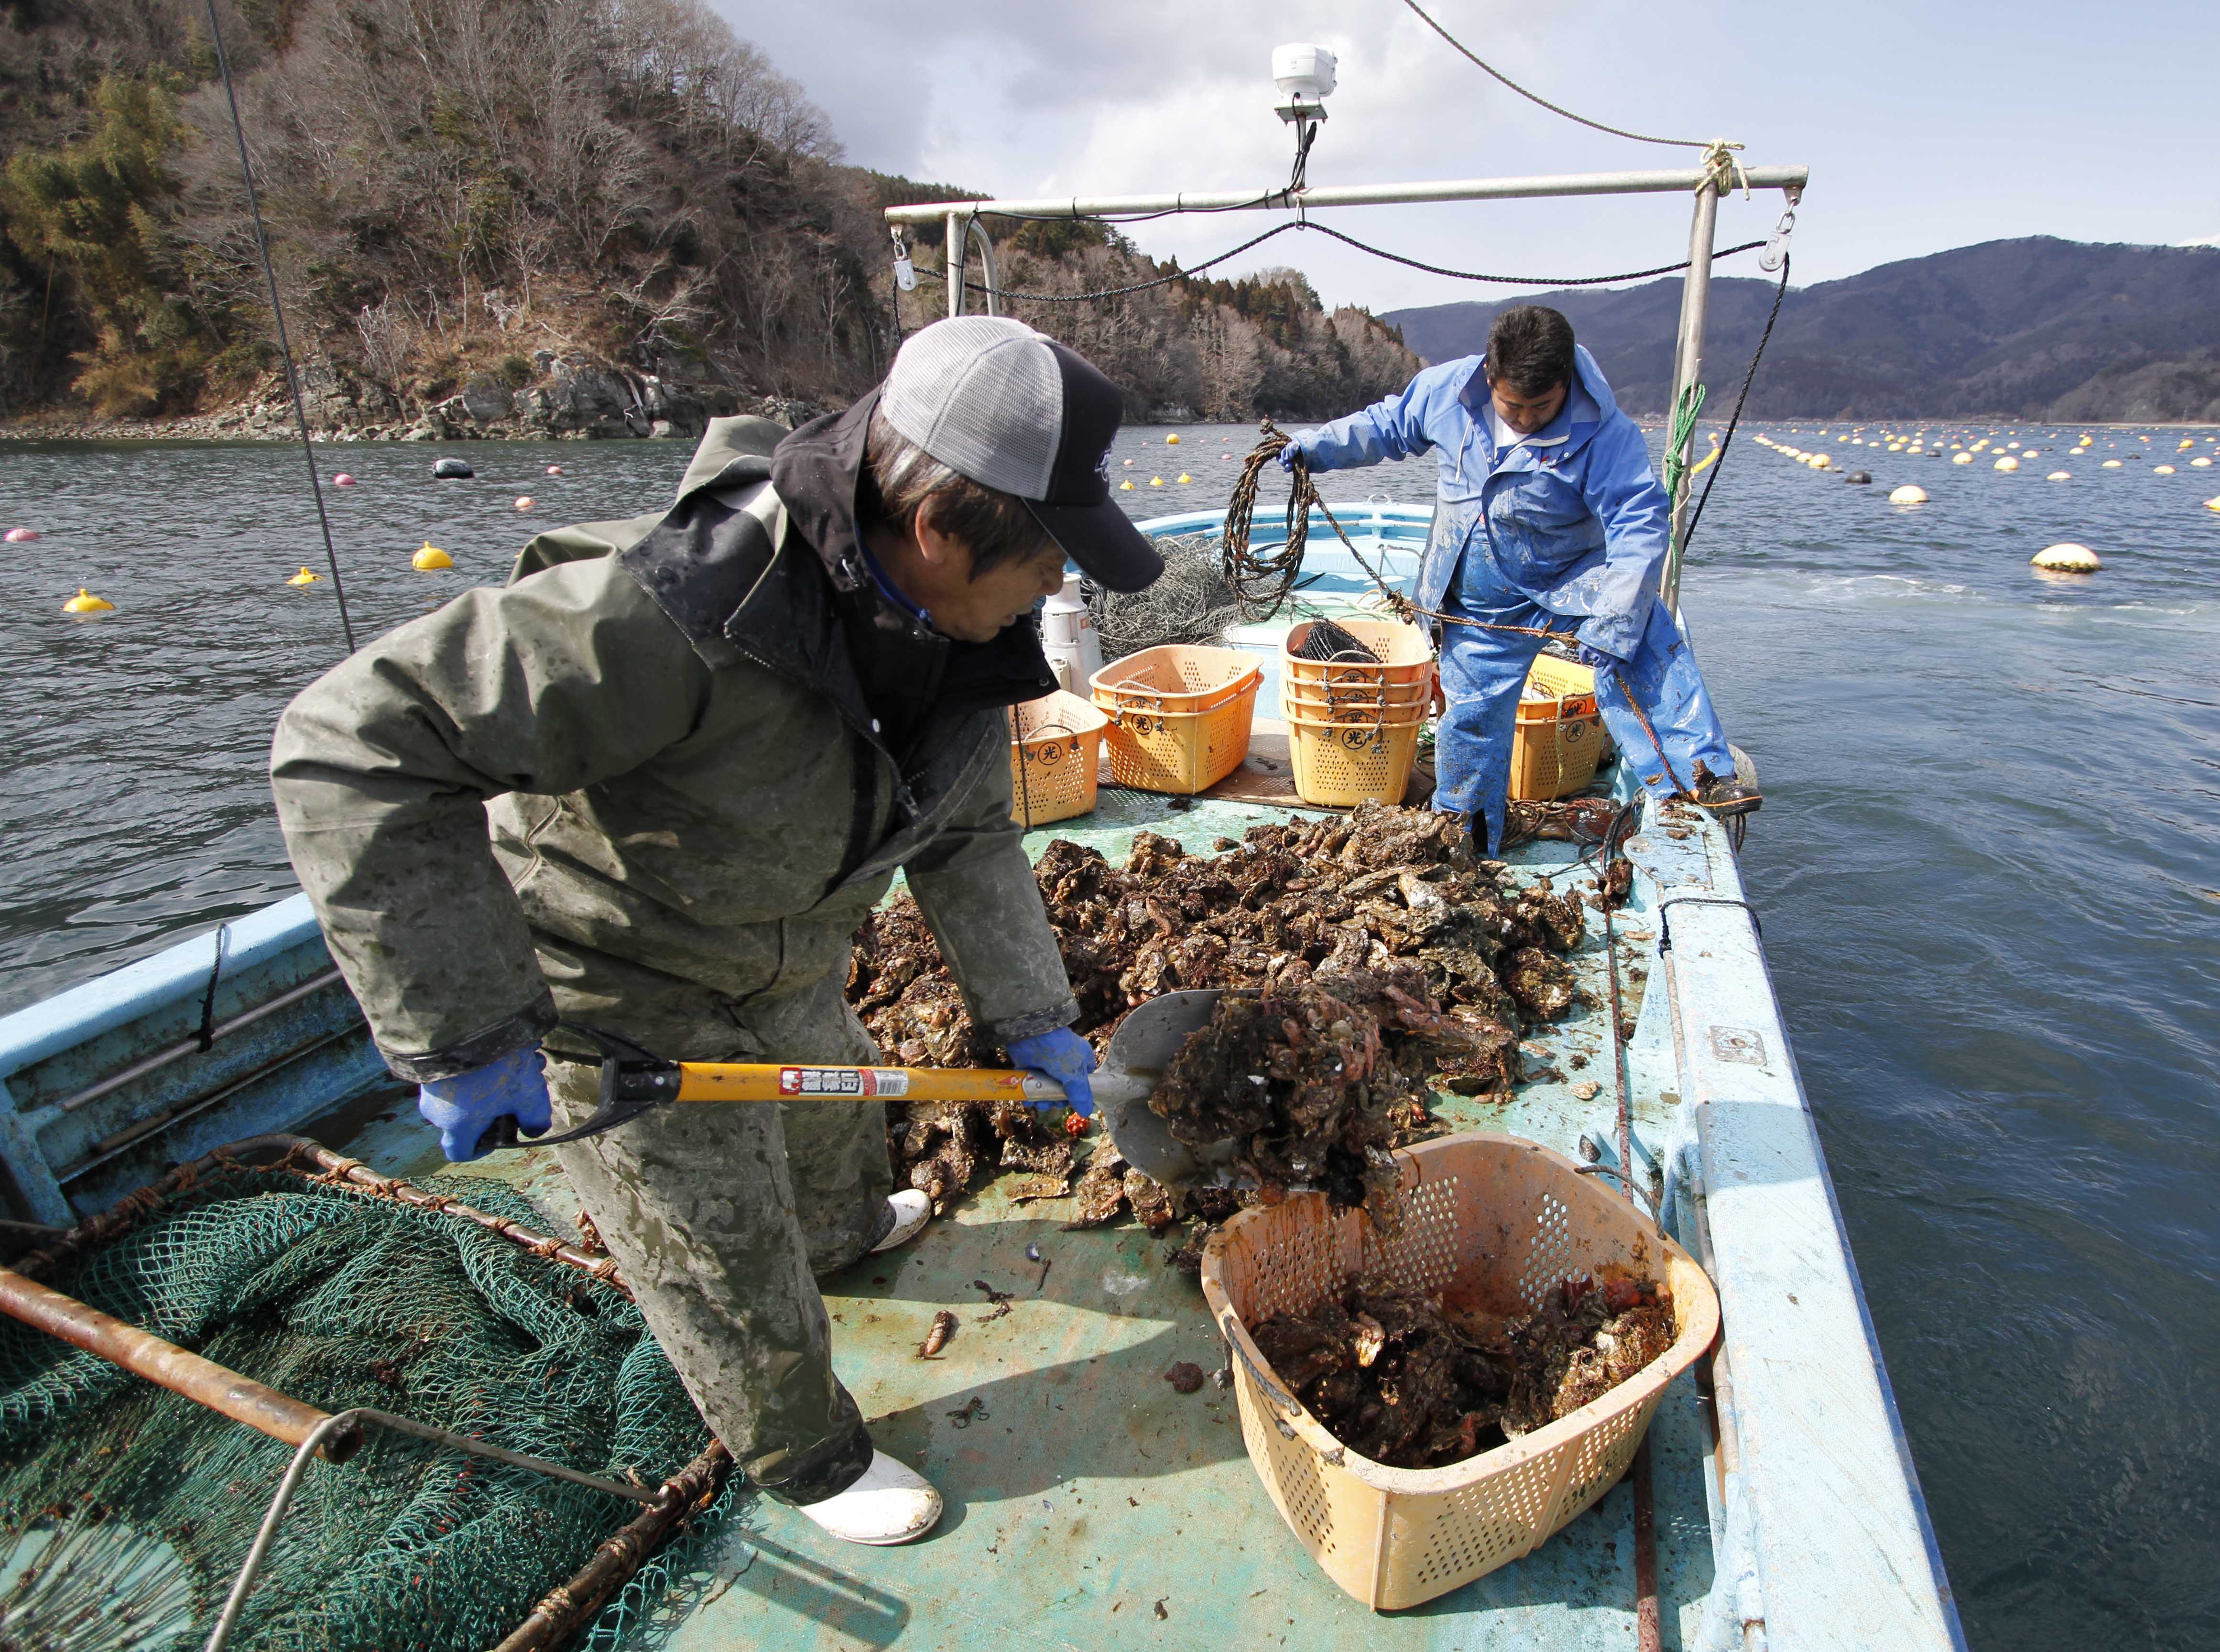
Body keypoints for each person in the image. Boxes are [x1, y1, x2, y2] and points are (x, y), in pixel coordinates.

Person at [268, 316, 1163, 1547]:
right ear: (943, 532)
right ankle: (800, 1451)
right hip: (610, 975)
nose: (1057, 587)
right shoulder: (675, 611)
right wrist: (461, 1028)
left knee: (836, 1128)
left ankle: (848, 1236)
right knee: (720, 1254)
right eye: (1049, 558)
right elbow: (356, 737)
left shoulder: (964, 637)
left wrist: (1032, 1016)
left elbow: (963, 835)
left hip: (784, 943)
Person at [1280, 304, 1756, 853]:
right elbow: (1386, 426)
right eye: (1514, 405)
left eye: (1542, 407)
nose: (1527, 418)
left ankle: (1698, 774)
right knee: (1473, 718)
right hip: (1477, 594)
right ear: (1490, 376)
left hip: (1571, 577)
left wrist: (1616, 618)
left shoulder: (1605, 432)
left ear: (1567, 384)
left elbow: (1638, 519)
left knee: (1642, 637)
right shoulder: (1446, 393)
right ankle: (1468, 837)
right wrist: (1314, 449)